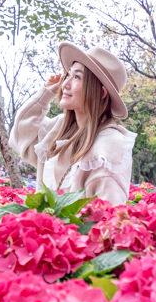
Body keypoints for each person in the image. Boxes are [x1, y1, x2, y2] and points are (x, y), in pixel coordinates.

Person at [9, 42, 136, 205]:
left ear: (102, 92)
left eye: (76, 77)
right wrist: (46, 92)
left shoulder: (109, 145)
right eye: (68, 75)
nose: (65, 84)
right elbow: (20, 136)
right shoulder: (59, 128)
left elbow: (107, 214)